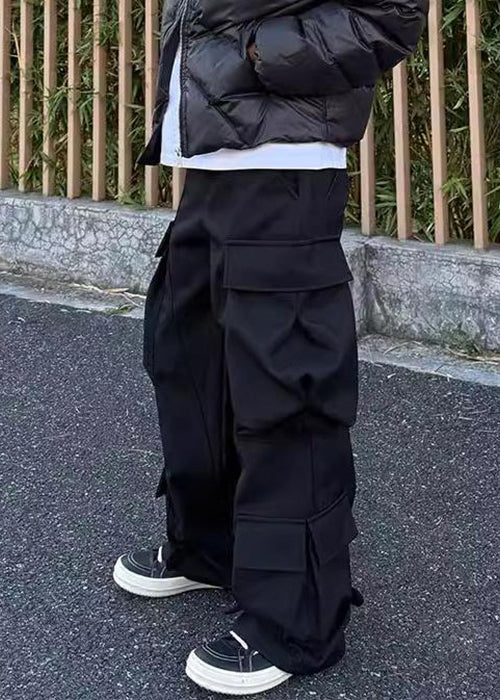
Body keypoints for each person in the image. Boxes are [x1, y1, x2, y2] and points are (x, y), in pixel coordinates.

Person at [113, 0, 428, 694]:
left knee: (286, 387)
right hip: (209, 158)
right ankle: (210, 546)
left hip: (287, 161)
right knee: (187, 357)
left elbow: (390, 16)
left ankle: (297, 619)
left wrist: (260, 54)